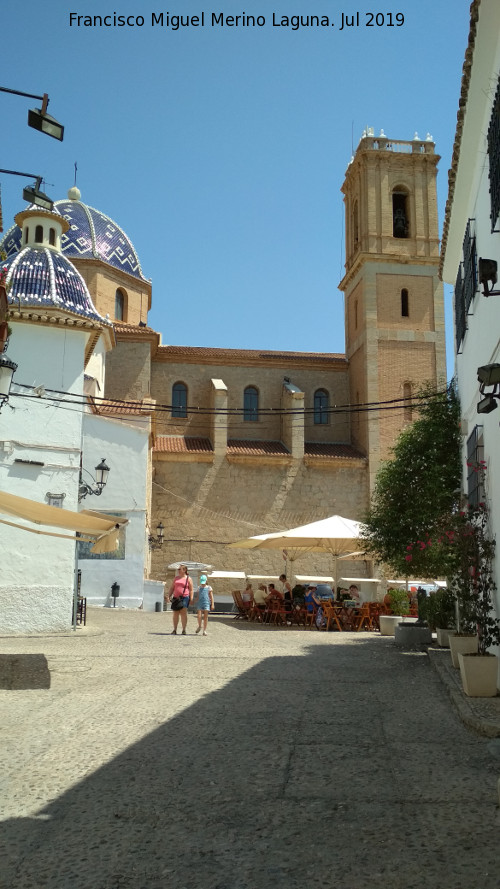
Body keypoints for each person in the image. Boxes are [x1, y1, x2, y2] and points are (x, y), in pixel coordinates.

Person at [167, 564, 194, 635]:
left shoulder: (188, 579)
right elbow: (172, 588)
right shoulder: (176, 578)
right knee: (175, 613)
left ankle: (184, 629)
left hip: (184, 597)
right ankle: (175, 629)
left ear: (184, 570)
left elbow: (191, 589)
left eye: (180, 569)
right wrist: (169, 596)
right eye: (178, 569)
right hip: (176, 597)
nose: (178, 570)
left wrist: (191, 598)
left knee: (183, 612)